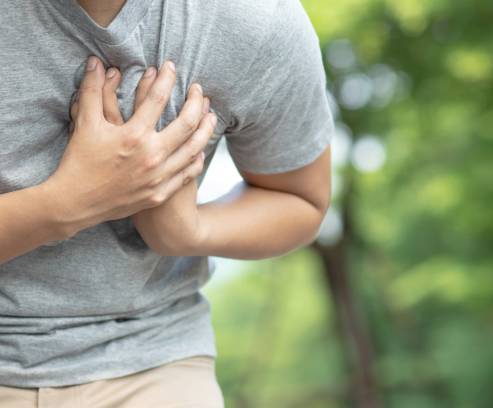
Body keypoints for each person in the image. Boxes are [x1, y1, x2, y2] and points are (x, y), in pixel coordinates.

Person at [0, 0, 333, 406]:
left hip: (156, 359)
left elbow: (300, 199)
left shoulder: (254, 20)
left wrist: (188, 231)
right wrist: (64, 205)